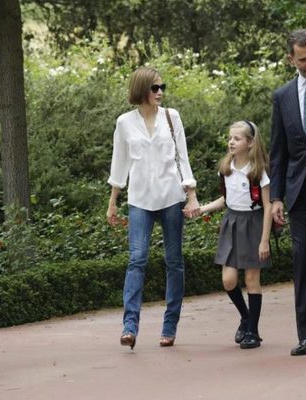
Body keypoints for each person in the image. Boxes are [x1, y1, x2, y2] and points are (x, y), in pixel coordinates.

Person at [106, 66, 199, 350]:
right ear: (141, 90)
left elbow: (182, 157)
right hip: (139, 201)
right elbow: (119, 163)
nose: (160, 93)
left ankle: (169, 328)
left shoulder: (172, 117)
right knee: (137, 259)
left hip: (171, 197)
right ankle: (129, 327)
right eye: (154, 88)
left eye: (162, 88)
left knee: (174, 261)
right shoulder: (124, 123)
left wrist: (191, 195)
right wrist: (113, 201)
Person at [270, 29, 306, 356]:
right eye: (303, 59)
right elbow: (278, 153)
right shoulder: (282, 96)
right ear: (290, 58)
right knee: (303, 263)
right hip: (298, 191)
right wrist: (276, 197)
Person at [199, 120, 272, 349]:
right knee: (228, 280)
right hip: (231, 222)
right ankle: (246, 317)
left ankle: (253, 332)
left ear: (250, 143)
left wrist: (264, 240)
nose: (231, 142)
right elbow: (226, 200)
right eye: (230, 138)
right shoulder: (226, 168)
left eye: (237, 138)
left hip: (253, 224)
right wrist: (202, 209)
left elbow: (268, 206)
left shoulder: (258, 171)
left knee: (251, 280)